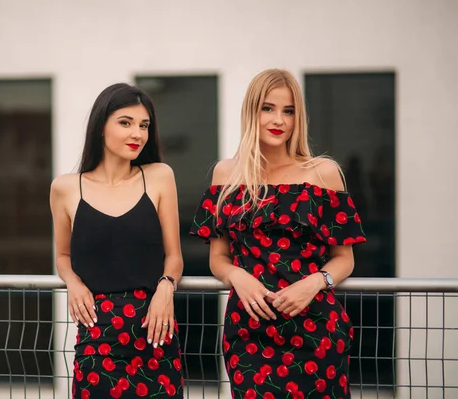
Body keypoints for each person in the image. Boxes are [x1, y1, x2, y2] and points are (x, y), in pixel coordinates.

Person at [189, 69, 366, 399]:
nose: (278, 120)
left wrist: (314, 283)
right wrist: (238, 277)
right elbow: (218, 259)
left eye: (288, 111)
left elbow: (344, 260)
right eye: (268, 108)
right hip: (249, 331)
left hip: (315, 328)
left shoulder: (322, 173)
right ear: (252, 111)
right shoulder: (226, 174)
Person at [50, 83, 184, 398]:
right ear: (100, 127)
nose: (137, 133)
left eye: (144, 125)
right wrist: (72, 282)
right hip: (97, 338)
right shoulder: (66, 188)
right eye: (125, 123)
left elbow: (174, 255)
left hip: (155, 333)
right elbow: (62, 255)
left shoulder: (159, 176)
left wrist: (166, 286)